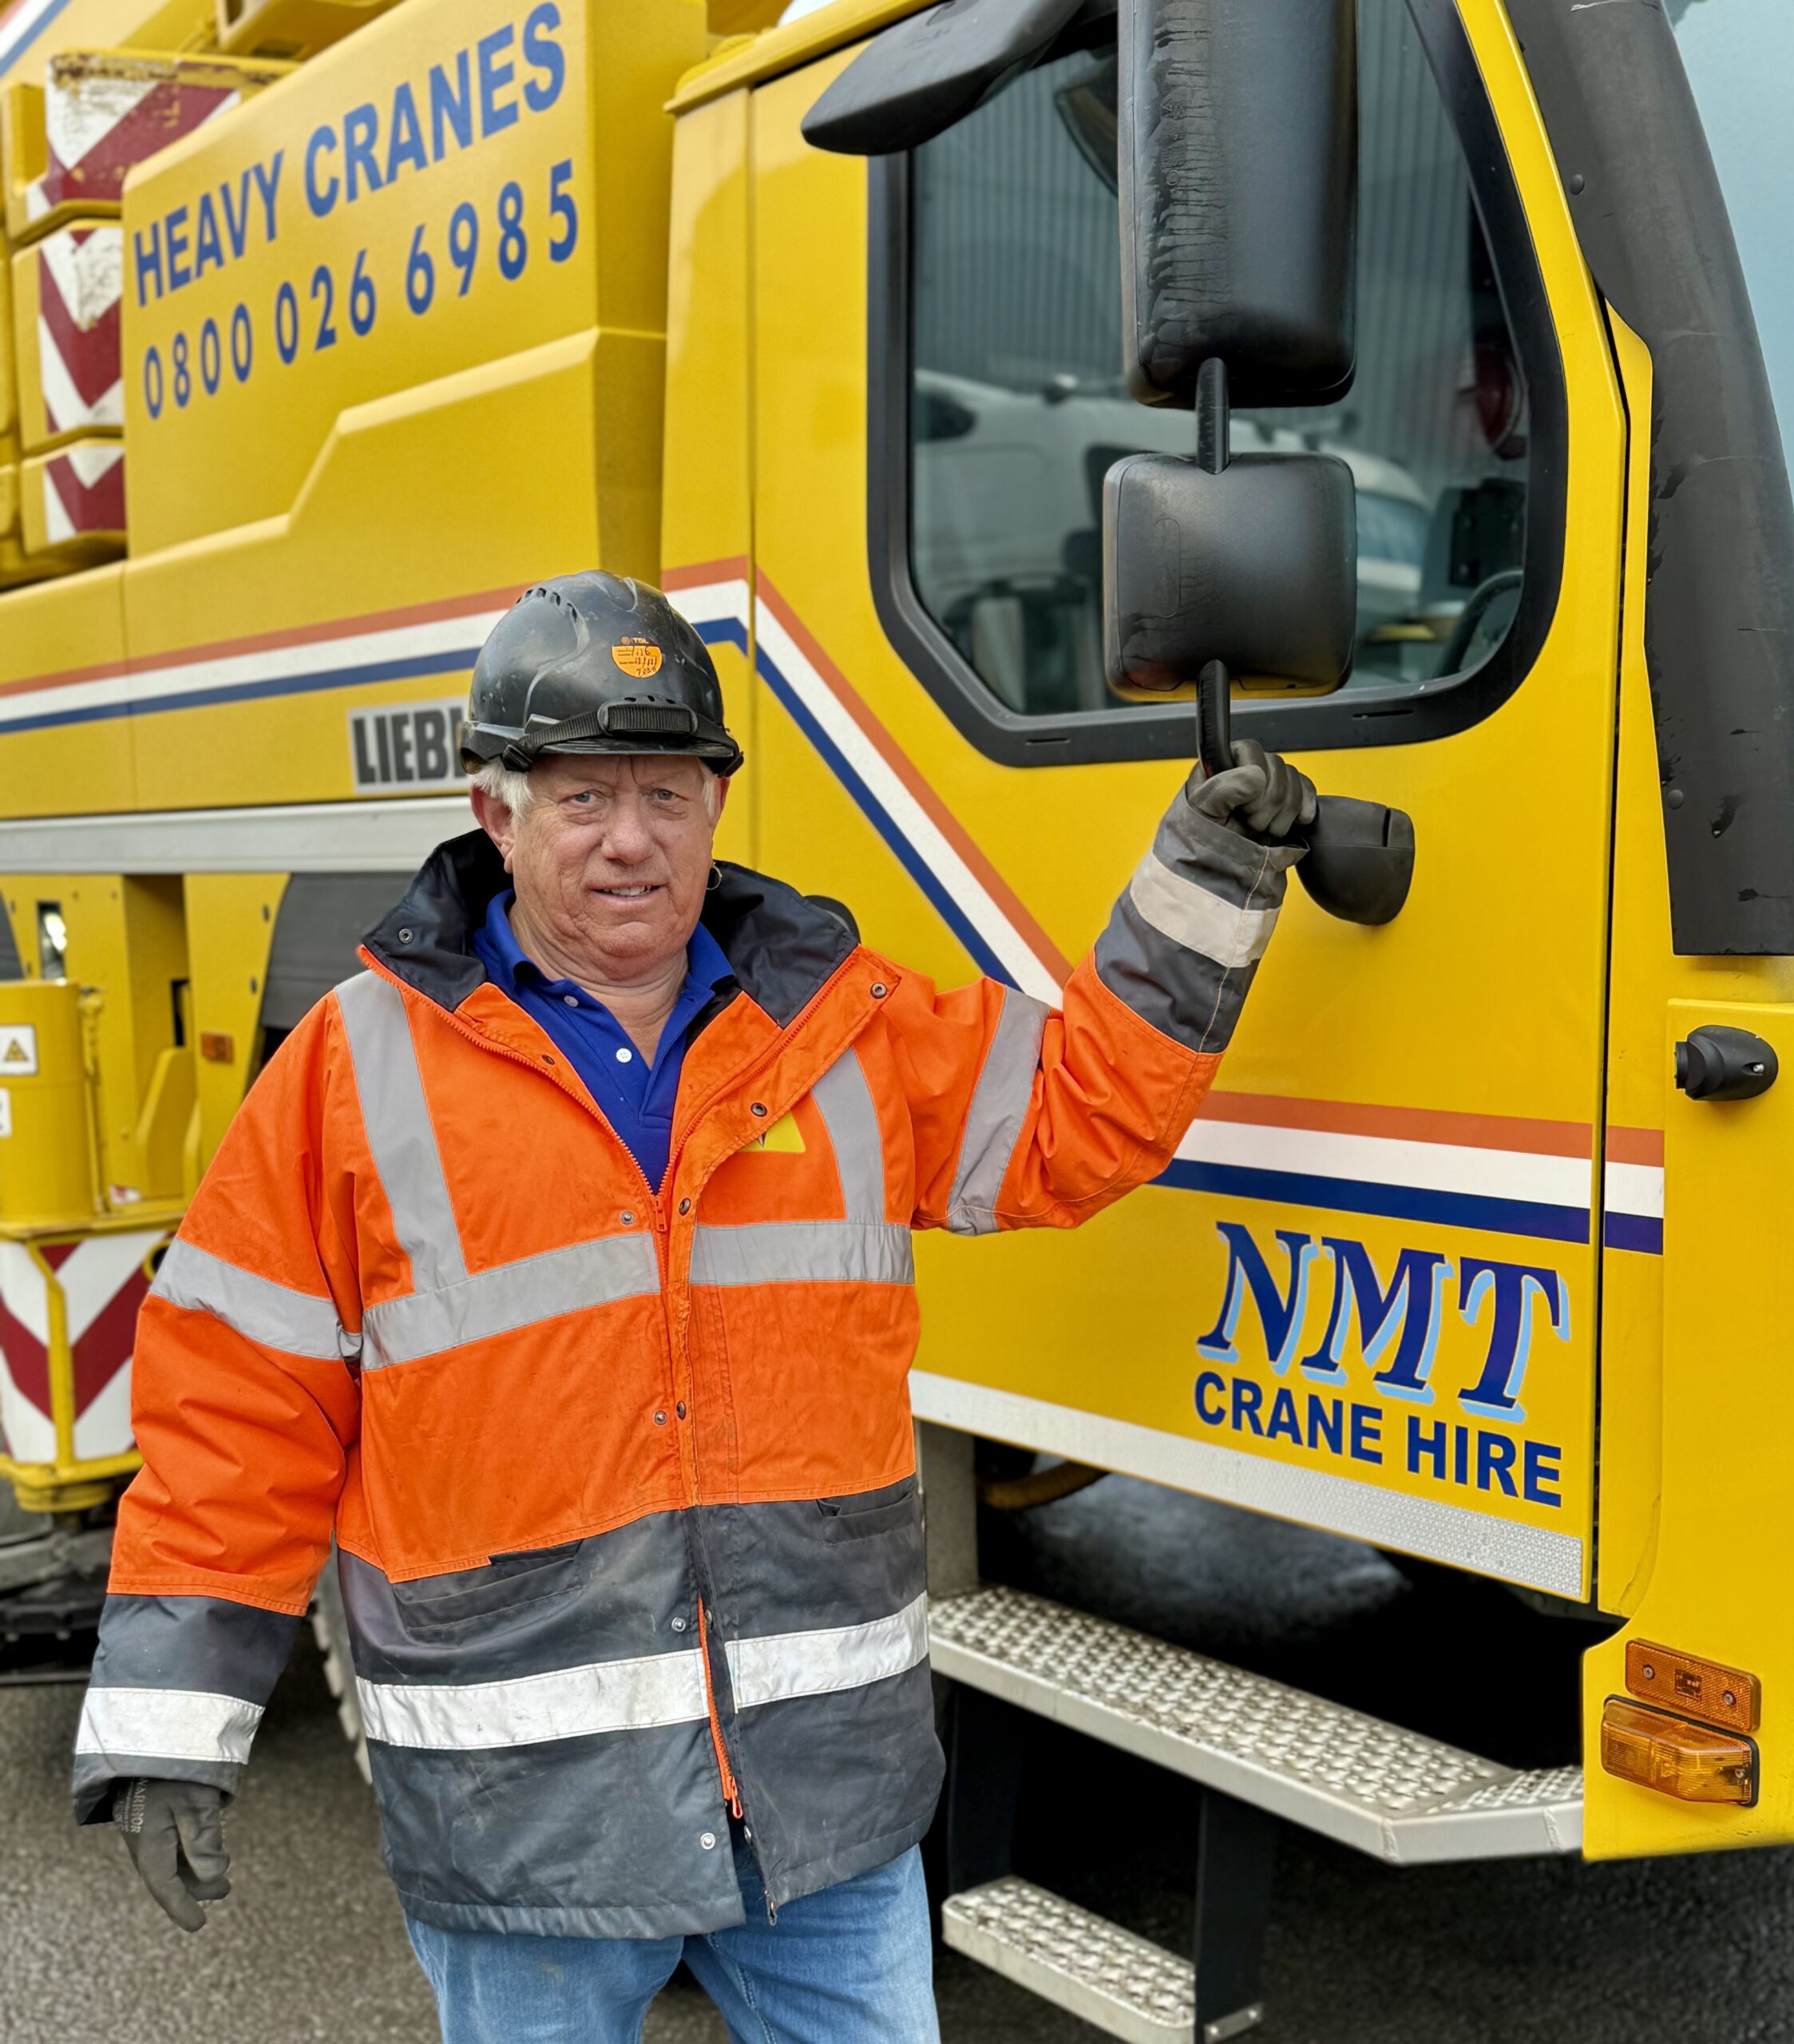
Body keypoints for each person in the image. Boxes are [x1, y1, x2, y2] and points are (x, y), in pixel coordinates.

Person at [71, 572, 1316, 2043]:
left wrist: (1205, 883)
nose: (629, 839)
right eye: (583, 795)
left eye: (666, 791)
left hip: (817, 1810)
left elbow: (1076, 1118)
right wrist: (170, 1723)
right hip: (528, 1837)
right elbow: (236, 1410)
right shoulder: (355, 1068)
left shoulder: (842, 1028)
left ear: (716, 807)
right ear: (497, 815)